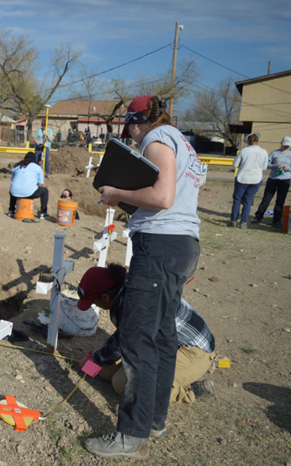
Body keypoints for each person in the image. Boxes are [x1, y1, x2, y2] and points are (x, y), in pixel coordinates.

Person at [87, 95, 202, 460]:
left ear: (137, 122)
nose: (133, 139)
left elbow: (163, 197)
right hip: (182, 245)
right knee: (163, 336)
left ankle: (130, 434)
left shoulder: (157, 139)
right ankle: (154, 421)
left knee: (138, 339)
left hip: (161, 246)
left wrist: (116, 193)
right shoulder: (182, 141)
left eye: (130, 131)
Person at [77, 265, 216, 408]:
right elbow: (123, 335)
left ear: (105, 297)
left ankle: (190, 390)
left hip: (192, 351)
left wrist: (92, 359)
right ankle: (165, 380)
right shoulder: (126, 291)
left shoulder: (134, 306)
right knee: (105, 371)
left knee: (122, 384)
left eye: (94, 302)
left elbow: (123, 339)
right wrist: (103, 349)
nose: (95, 305)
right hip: (162, 345)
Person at [228, 133, 268, 228]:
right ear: (258, 142)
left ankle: (233, 220)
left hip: (242, 177)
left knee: (237, 200)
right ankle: (244, 222)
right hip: (256, 178)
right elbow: (265, 167)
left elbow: (235, 164)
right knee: (248, 201)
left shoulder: (243, 151)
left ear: (247, 142)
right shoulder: (264, 152)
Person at [252, 136, 291, 228]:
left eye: (288, 146)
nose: (286, 147)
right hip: (273, 179)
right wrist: (275, 166)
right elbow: (267, 165)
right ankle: (258, 217)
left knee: (280, 201)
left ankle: (277, 220)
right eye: (285, 145)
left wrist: (288, 168)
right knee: (266, 198)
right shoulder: (274, 153)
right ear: (281, 143)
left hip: (285, 180)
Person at [7, 152, 49, 220]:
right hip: (30, 193)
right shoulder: (38, 167)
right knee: (45, 191)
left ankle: (11, 211)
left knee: (15, 188)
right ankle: (43, 213)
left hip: (14, 193)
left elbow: (13, 180)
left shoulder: (16, 166)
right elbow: (41, 184)